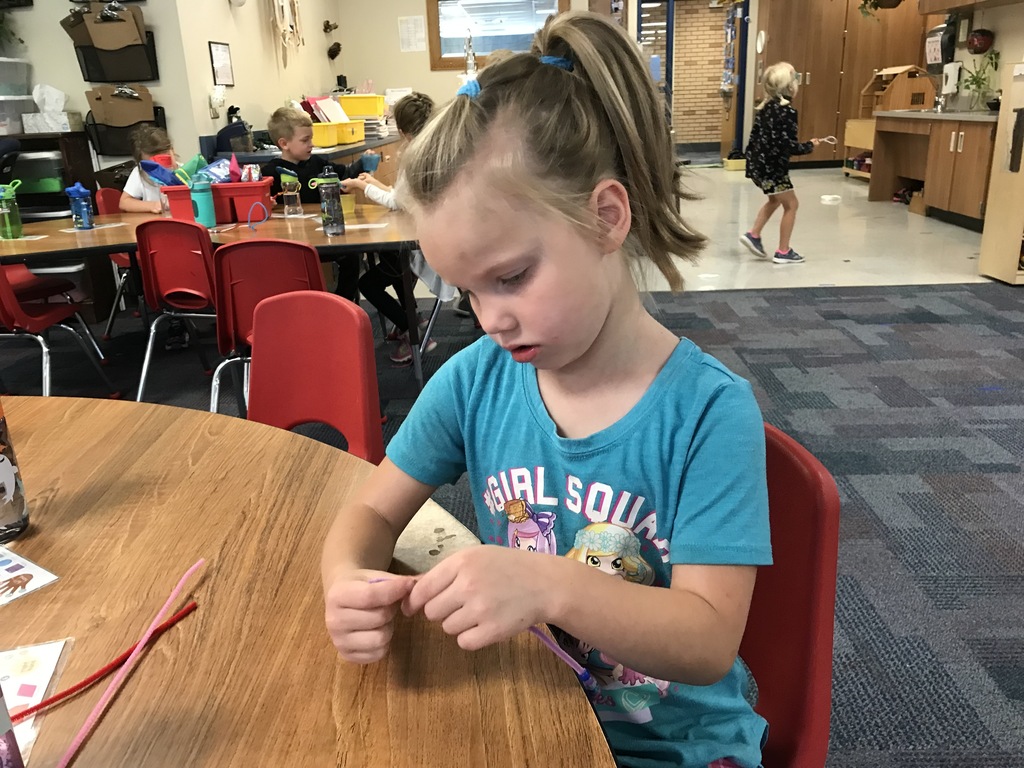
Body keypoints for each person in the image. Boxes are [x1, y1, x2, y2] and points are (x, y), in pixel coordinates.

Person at [321, 11, 771, 768]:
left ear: (605, 217)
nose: (492, 319)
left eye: (513, 277)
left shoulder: (708, 413)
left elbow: (705, 640)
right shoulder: (476, 382)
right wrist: (347, 581)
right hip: (529, 716)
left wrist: (547, 586)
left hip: (674, 750)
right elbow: (369, 508)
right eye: (468, 292)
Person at [341, 92, 451, 364]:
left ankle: (409, 329)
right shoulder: (432, 151)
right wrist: (374, 184)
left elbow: (395, 200)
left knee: (368, 282)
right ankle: (414, 320)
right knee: (393, 263)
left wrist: (361, 186)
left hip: (421, 244)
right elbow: (403, 197)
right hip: (429, 236)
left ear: (402, 131)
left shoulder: (414, 156)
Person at [260, 107, 374, 302]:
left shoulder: (317, 163)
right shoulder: (271, 173)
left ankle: (342, 302)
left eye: (311, 139)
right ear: (284, 143)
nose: (311, 145)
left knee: (352, 257)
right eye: (305, 141)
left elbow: (345, 174)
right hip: (292, 240)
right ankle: (306, 304)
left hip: (323, 233)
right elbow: (263, 205)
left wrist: (363, 163)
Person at [740, 62, 819, 265]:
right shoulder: (787, 112)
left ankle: (754, 234)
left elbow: (755, 138)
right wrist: (809, 146)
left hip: (759, 167)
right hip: (774, 169)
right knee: (792, 204)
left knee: (774, 200)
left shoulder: (765, 108)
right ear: (790, 86)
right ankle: (783, 251)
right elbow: (787, 145)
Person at [120, 126, 189, 350]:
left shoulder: (183, 170)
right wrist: (151, 206)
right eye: (150, 163)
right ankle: (175, 317)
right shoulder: (140, 175)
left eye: (162, 158)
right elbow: (125, 202)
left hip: (184, 235)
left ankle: (186, 308)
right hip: (157, 240)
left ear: (171, 151)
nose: (156, 167)